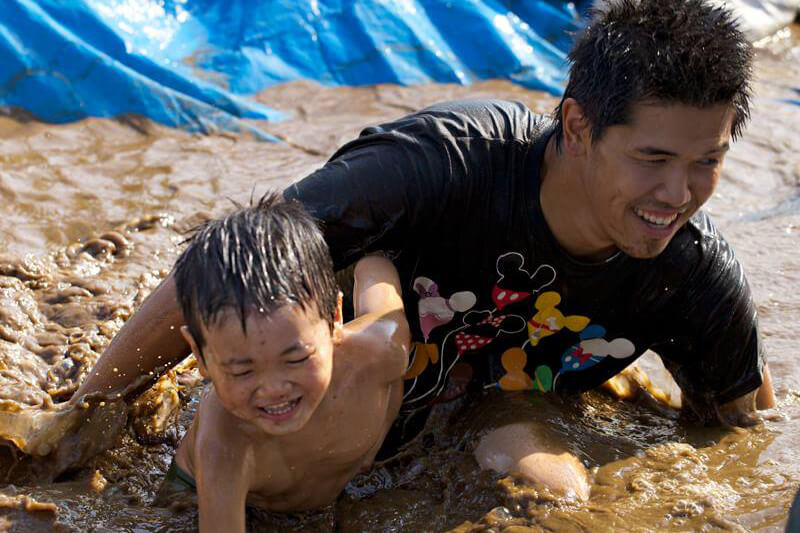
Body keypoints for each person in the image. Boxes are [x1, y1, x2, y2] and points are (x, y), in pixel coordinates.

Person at [75, 0, 776, 501]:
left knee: (548, 487)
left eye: (706, 162)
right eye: (653, 158)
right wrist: (88, 412)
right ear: (578, 124)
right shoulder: (443, 163)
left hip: (492, 405)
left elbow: (743, 431)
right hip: (327, 385)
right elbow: (229, 266)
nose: (676, 194)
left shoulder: (691, 272)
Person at [152, 194, 410, 531]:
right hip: (203, 494)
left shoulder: (381, 349)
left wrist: (372, 255)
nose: (274, 389)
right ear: (199, 356)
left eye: (296, 358)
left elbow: (378, 267)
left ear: (334, 320)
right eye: (243, 370)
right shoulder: (225, 440)